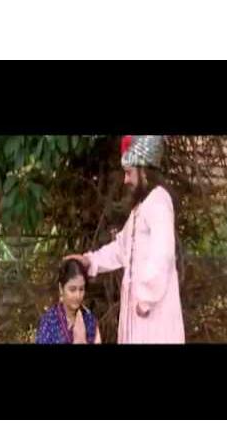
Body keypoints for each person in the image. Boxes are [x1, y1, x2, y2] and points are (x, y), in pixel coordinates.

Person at [65, 135, 185, 344]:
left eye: (129, 173)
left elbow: (162, 254)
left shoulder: (158, 201)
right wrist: (90, 261)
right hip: (138, 316)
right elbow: (122, 248)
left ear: (143, 170)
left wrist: (145, 299)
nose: (125, 180)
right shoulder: (142, 207)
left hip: (153, 318)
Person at [35, 258, 101, 344]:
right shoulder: (49, 321)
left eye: (81, 289)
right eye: (72, 290)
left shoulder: (90, 320)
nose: (78, 295)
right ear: (61, 288)